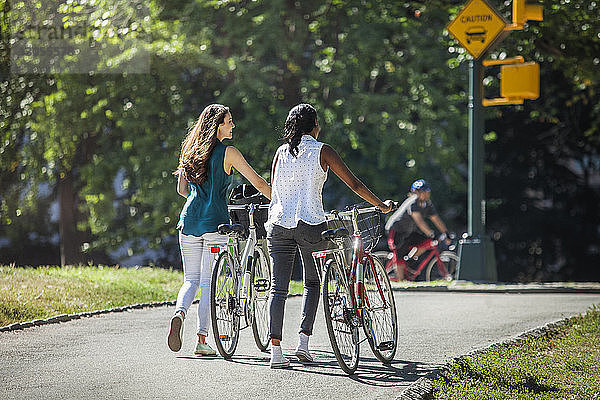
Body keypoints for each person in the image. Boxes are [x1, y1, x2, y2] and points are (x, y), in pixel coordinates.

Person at [265, 103, 393, 368]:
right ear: (315, 126)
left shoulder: (280, 153)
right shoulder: (323, 150)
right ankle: (302, 343)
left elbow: (275, 189)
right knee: (313, 284)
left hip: (278, 224)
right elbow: (354, 184)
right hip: (310, 224)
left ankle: (275, 353)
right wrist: (380, 205)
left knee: (278, 288)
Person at [168, 104, 271, 356]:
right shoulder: (229, 152)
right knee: (208, 283)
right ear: (217, 125)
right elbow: (256, 181)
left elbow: (182, 191)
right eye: (229, 121)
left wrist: (199, 197)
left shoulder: (189, 149)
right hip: (216, 224)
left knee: (190, 280)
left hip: (189, 222)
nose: (233, 125)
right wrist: (279, 200)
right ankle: (201, 339)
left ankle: (179, 313)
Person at [385, 179, 450, 281]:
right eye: (424, 192)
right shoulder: (413, 202)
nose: (427, 194)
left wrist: (446, 233)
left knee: (428, 242)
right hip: (397, 230)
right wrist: (431, 233)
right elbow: (419, 221)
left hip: (409, 232)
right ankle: (401, 280)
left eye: (427, 191)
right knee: (399, 254)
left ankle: (410, 259)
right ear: (417, 193)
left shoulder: (427, 204)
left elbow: (436, 219)